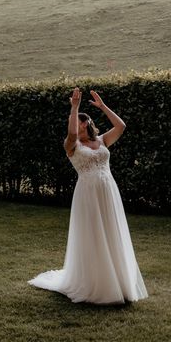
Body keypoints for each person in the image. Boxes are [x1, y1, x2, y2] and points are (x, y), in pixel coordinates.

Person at [29, 88, 148, 304]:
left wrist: (102, 107)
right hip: (87, 195)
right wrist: (74, 107)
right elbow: (72, 134)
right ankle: (97, 283)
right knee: (93, 235)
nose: (77, 123)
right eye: (75, 120)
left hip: (108, 191)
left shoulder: (102, 140)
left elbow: (121, 126)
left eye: (81, 120)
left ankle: (119, 282)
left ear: (88, 123)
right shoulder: (71, 145)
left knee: (111, 232)